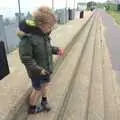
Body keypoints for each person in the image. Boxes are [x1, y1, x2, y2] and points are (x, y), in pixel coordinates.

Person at [17, 6, 63, 114]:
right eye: (49, 26)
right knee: (37, 90)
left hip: (46, 69)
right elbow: (26, 58)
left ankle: (44, 101)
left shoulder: (44, 35)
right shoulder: (28, 38)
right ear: (40, 24)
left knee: (45, 85)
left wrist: (56, 50)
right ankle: (32, 108)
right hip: (37, 72)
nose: (51, 28)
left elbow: (47, 49)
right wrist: (38, 70)